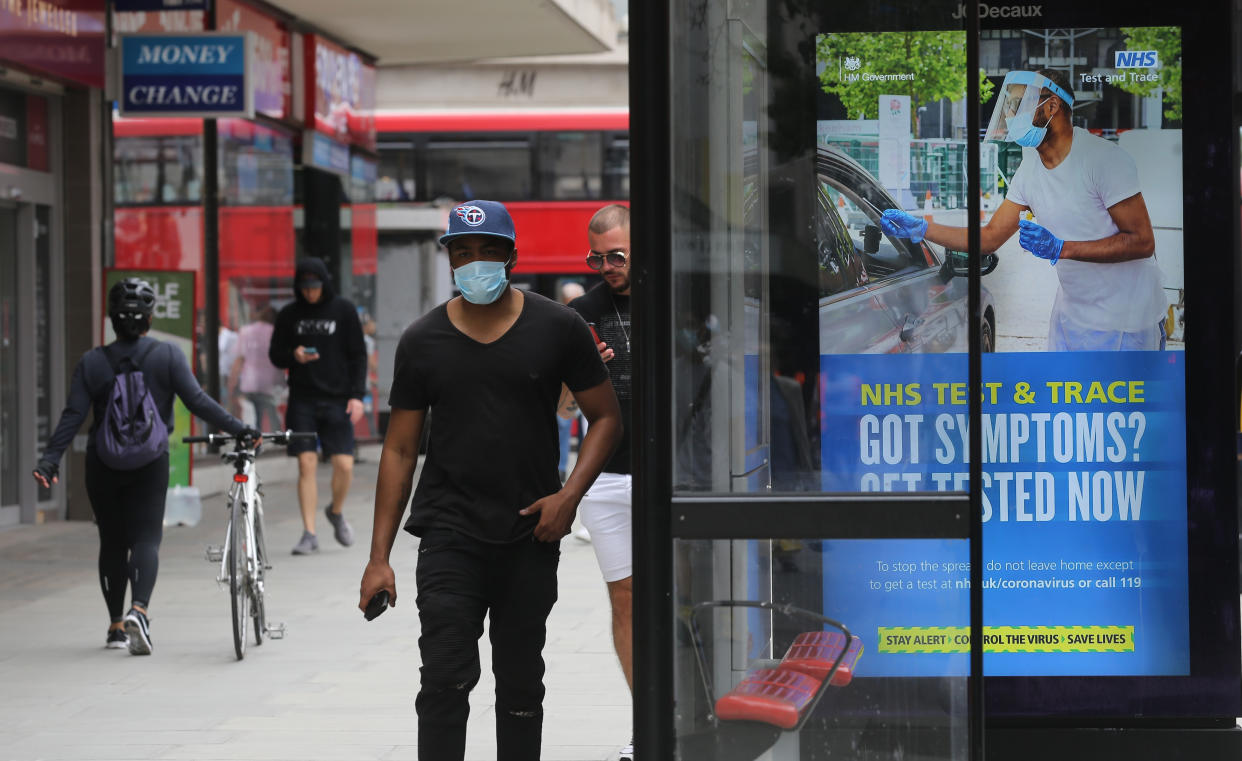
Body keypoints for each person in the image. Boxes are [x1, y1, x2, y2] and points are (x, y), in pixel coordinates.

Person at [358, 200, 622, 761]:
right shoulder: (422, 340)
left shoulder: (559, 326)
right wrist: (378, 557)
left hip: (531, 533)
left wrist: (568, 498)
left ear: (511, 257)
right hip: (449, 534)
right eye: (462, 252)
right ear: (450, 260)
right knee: (445, 680)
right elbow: (401, 448)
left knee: (522, 685)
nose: (474, 262)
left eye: (486, 251)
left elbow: (606, 417)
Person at [32, 278, 257, 655]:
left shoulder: (92, 362)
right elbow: (197, 401)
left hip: (102, 463)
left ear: (111, 319)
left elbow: (73, 414)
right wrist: (241, 429)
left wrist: (50, 459)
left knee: (112, 542)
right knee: (145, 539)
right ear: (149, 319)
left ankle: (116, 626)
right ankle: (140, 610)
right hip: (150, 462)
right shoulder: (166, 356)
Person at [879, 68, 1165, 351]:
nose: (1009, 115)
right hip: (1073, 317)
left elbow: (1141, 241)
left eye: (1017, 105)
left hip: (1127, 323)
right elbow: (990, 237)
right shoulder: (1030, 167)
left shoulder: (1102, 159)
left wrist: (1060, 248)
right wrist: (922, 228)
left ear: (1051, 106)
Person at [564, 203, 635, 760]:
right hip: (608, 478)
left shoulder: (676, 300)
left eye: (617, 255)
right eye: (597, 257)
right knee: (625, 601)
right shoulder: (579, 313)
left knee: (681, 598)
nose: (607, 266)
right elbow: (563, 403)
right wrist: (587, 371)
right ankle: (649, 720)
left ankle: (686, 710)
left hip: (674, 475)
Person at [268, 258, 368, 555]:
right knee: (306, 464)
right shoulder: (289, 314)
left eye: (315, 287)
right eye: (305, 288)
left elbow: (358, 355)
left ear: (324, 284)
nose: (310, 293)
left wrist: (357, 395)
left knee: (344, 465)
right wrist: (293, 354)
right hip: (302, 399)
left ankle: (335, 511)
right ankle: (309, 532)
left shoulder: (344, 310)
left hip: (338, 398)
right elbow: (275, 354)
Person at [228, 304, 284, 432]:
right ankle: (276, 439)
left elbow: (239, 359)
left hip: (249, 381)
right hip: (270, 382)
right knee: (270, 412)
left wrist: (232, 382)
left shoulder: (246, 331)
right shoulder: (275, 332)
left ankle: (254, 439)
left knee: (253, 415)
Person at [557, 281, 587, 482]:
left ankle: (584, 469)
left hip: (588, 384)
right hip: (567, 385)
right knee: (562, 425)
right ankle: (561, 468)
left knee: (589, 427)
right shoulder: (558, 322)